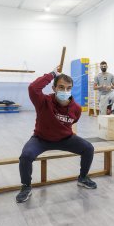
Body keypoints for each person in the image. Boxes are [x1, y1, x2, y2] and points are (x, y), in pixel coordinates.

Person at [16, 67, 96, 203]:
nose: (65, 91)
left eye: (68, 88)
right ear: (54, 88)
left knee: (88, 148)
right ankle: (26, 186)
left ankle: (83, 178)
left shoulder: (76, 108)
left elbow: (73, 121)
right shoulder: (43, 101)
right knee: (26, 156)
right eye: (61, 87)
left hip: (65, 139)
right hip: (41, 139)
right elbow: (33, 88)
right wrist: (52, 74)